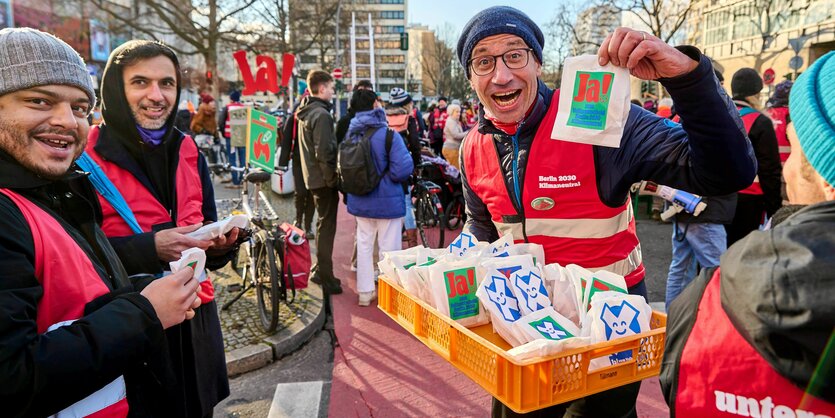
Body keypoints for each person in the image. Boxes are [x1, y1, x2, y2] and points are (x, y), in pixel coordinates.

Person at [455, 6, 756, 417]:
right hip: (525, 329)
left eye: (515, 54)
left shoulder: (596, 117)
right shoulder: (472, 147)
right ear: (471, 77)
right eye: (483, 61)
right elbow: (483, 228)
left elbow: (728, 171)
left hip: (609, 328)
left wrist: (685, 77)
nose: (501, 75)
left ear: (538, 63)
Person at [0, 27, 200, 417]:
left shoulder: (57, 187)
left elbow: (71, 295)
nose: (66, 121)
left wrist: (137, 291)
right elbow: (11, 378)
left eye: (78, 108)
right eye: (40, 100)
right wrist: (143, 311)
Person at [661, 51, 835, 416]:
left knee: (700, 267)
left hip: (700, 208)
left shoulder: (707, 304)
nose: (787, 169)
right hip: (738, 209)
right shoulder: (758, 120)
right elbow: (770, 171)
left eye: (795, 147)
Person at [84, 40, 234, 417]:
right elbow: (78, 256)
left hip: (196, 321)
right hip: (132, 329)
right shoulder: (83, 159)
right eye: (140, 82)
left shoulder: (187, 149)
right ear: (116, 90)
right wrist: (151, 247)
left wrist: (223, 245)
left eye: (166, 83)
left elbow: (207, 223)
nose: (156, 95)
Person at [346, 89, 414, 306]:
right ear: (375, 105)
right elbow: (402, 170)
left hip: (360, 199)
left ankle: (365, 293)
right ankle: (388, 295)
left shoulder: (352, 134)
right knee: (389, 247)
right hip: (388, 200)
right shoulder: (388, 135)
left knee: (364, 245)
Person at [296, 69, 343, 295]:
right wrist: (333, 180)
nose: (333, 93)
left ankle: (320, 270)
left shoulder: (306, 111)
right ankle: (325, 275)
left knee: (322, 225)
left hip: (312, 178)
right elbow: (324, 151)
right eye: (332, 88)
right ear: (322, 88)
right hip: (323, 180)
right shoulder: (321, 115)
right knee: (326, 228)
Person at [726, 68, 783, 245]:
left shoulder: (718, 115)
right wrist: (775, 209)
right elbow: (770, 169)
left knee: (712, 253)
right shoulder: (760, 121)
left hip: (715, 196)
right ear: (756, 94)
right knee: (740, 249)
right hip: (749, 198)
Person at [386, 87, 422, 248]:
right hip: (403, 165)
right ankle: (413, 244)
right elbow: (415, 144)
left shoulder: (384, 118)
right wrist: (417, 165)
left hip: (386, 165)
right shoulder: (409, 119)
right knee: (407, 204)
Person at [278, 90, 316, 238]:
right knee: (300, 193)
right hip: (298, 161)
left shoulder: (317, 117)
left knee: (312, 194)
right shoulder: (293, 119)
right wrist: (282, 163)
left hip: (314, 163)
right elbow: (286, 142)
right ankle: (298, 219)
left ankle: (308, 225)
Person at [218, 90, 244, 186]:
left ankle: (235, 180)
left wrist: (223, 133)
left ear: (231, 98)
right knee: (242, 158)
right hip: (242, 137)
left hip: (230, 137)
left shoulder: (227, 108)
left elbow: (221, 122)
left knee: (232, 158)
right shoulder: (244, 108)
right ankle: (242, 179)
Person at [191, 94, 220, 164]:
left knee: (213, 156)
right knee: (202, 156)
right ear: (207, 103)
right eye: (211, 102)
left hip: (210, 138)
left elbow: (214, 126)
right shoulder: (202, 111)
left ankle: (212, 170)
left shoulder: (212, 112)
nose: (213, 103)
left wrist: (216, 136)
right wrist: (202, 130)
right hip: (202, 138)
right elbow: (194, 125)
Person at [442, 103, 468, 170]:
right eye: (457, 112)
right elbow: (455, 135)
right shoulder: (451, 121)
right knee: (456, 171)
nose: (459, 113)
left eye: (459, 112)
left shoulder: (454, 121)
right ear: (451, 112)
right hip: (451, 149)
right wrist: (468, 133)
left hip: (453, 148)